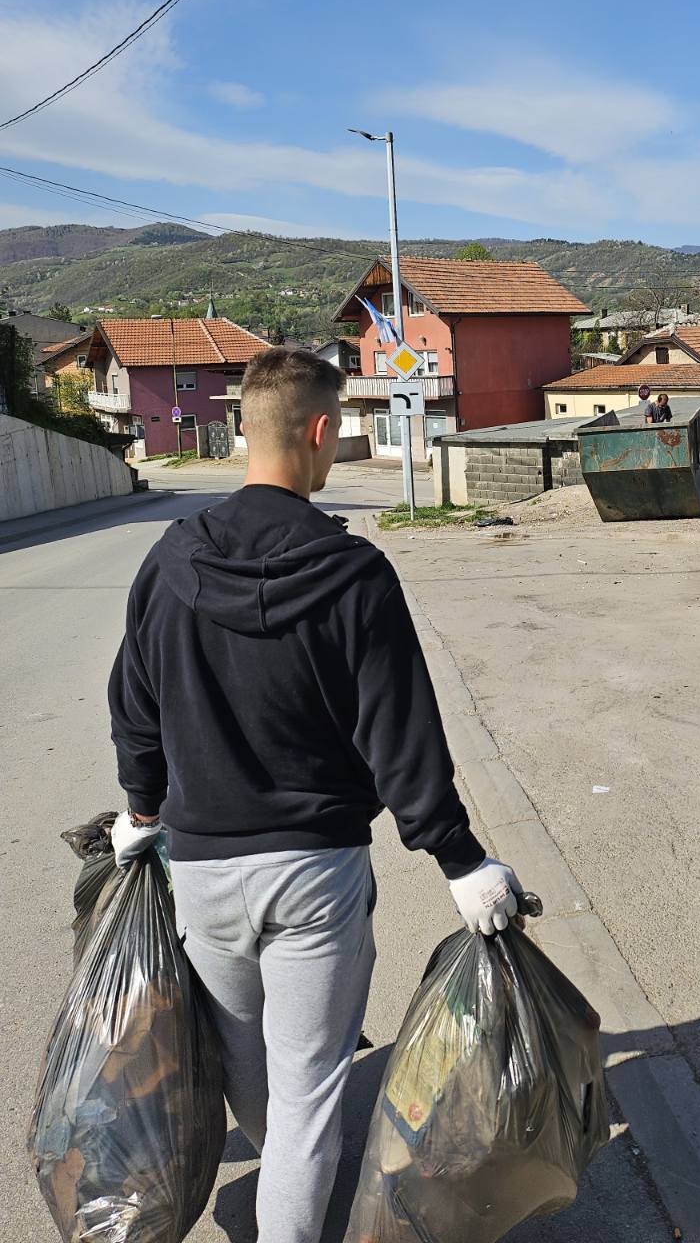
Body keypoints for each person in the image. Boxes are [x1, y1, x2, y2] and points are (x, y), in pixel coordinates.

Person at [107, 347, 524, 1243]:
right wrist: (459, 859)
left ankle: (294, 1185)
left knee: (248, 1072)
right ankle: (299, 1195)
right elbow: (401, 735)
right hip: (314, 877)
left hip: (202, 872)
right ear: (322, 431)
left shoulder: (169, 563)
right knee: (307, 1094)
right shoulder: (354, 574)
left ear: (241, 428)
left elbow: (135, 709)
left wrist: (141, 813)